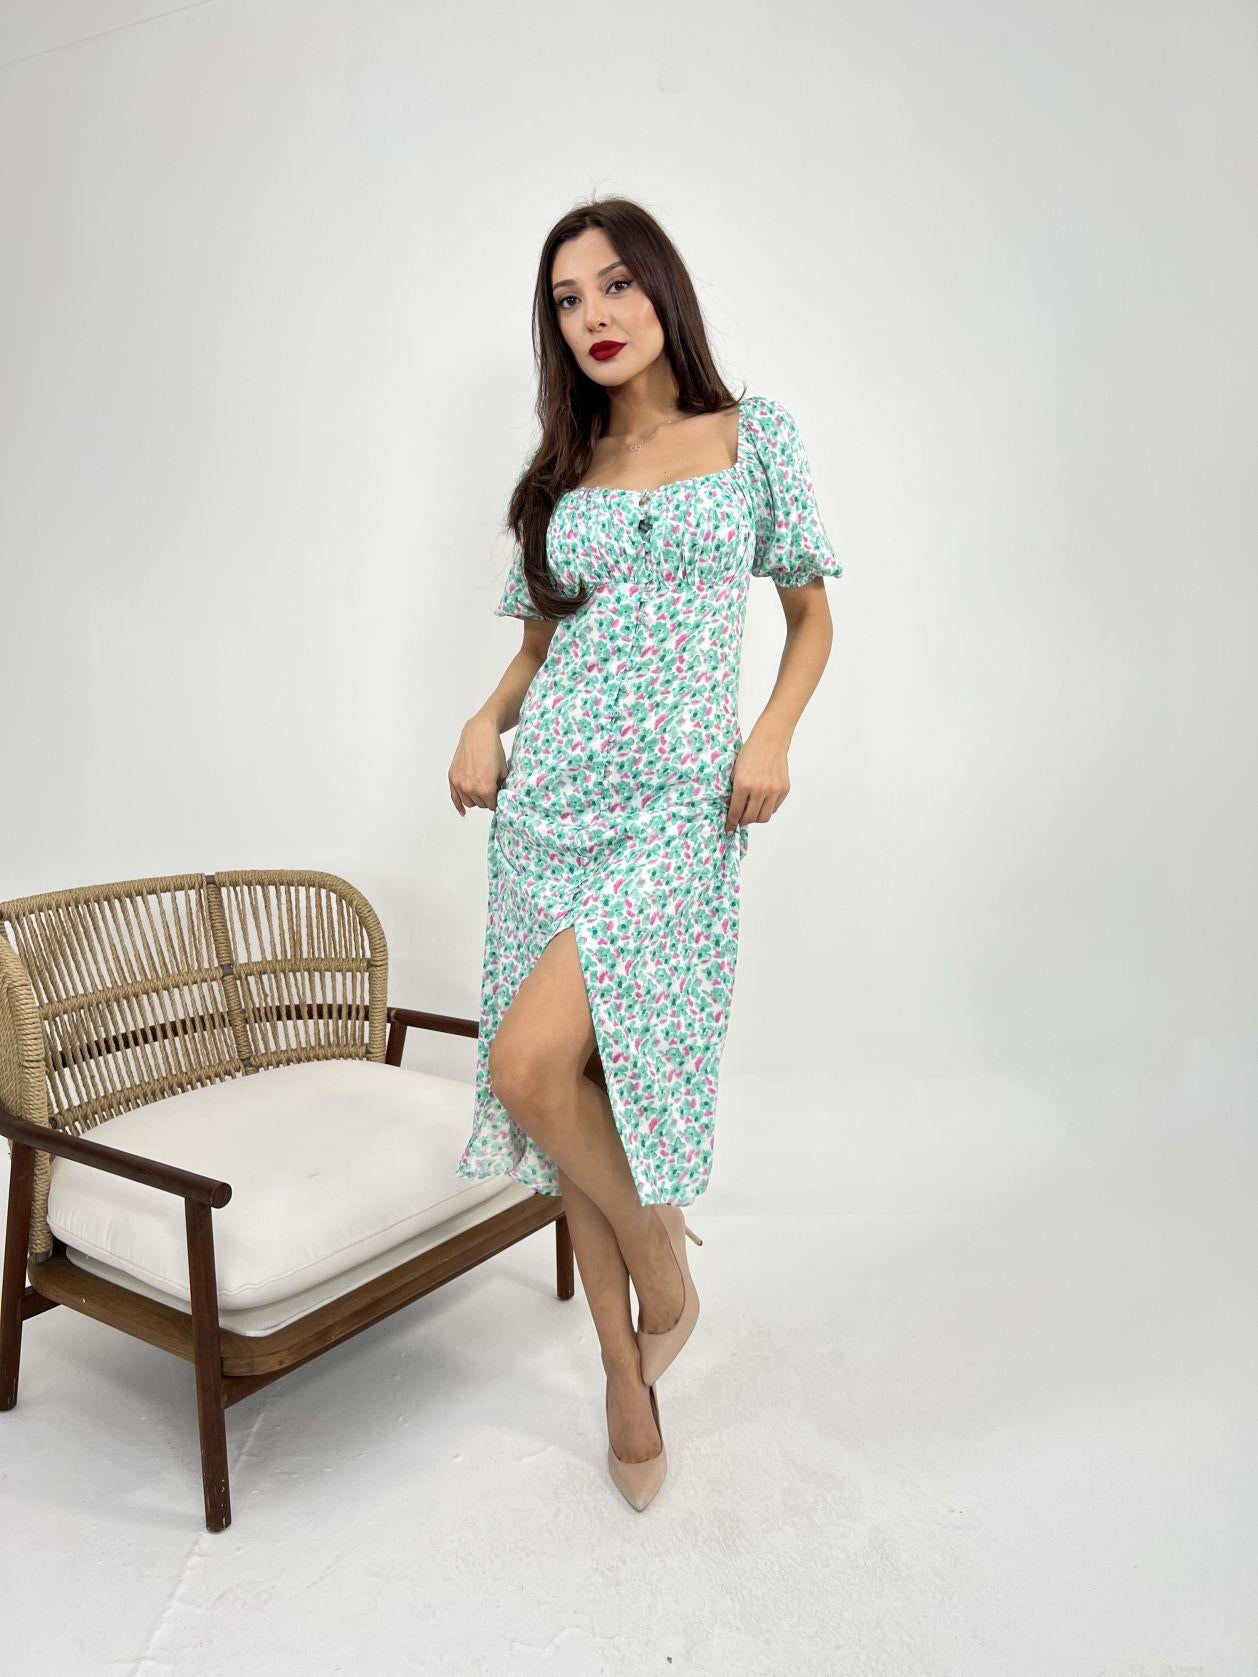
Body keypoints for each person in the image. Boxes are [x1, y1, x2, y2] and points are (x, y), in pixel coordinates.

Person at [446, 197, 842, 1509]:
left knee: (532, 1063)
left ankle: (663, 1277)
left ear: (662, 289)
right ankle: (627, 1367)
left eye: (615, 285)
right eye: (567, 300)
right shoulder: (557, 478)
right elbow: (537, 649)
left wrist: (769, 737)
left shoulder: (750, 436)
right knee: (562, 1080)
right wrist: (483, 720)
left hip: (677, 806)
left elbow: (809, 618)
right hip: (550, 804)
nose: (595, 316)